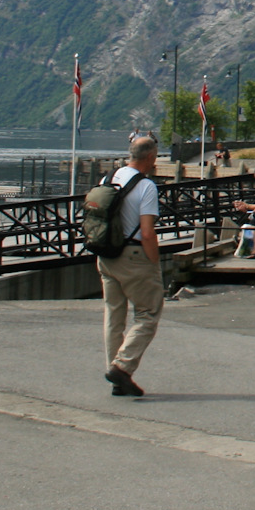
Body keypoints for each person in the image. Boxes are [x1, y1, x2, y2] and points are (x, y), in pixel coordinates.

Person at [100, 136, 162, 398]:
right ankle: (122, 368)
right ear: (149, 157)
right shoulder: (146, 186)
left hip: (106, 255)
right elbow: (147, 233)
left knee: (114, 316)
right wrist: (155, 263)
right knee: (148, 314)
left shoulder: (108, 179)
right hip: (134, 255)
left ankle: (117, 377)